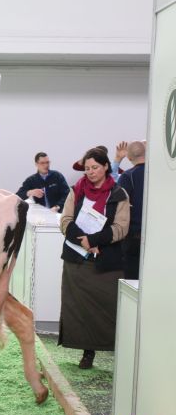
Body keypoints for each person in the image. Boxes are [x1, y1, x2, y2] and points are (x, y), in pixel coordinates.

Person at [58, 147, 130, 369]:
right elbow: (66, 220)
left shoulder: (119, 194)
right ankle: (87, 353)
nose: (91, 172)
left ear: (106, 166)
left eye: (95, 167)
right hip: (77, 260)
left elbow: (121, 227)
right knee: (79, 309)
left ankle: (115, 351)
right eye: (87, 168)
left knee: (109, 309)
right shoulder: (76, 190)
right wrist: (84, 242)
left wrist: (95, 241)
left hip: (106, 261)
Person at [117, 141, 146, 280]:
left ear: (128, 158)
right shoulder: (159, 175)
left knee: (132, 282)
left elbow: (120, 205)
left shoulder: (127, 177)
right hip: (158, 237)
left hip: (134, 237)